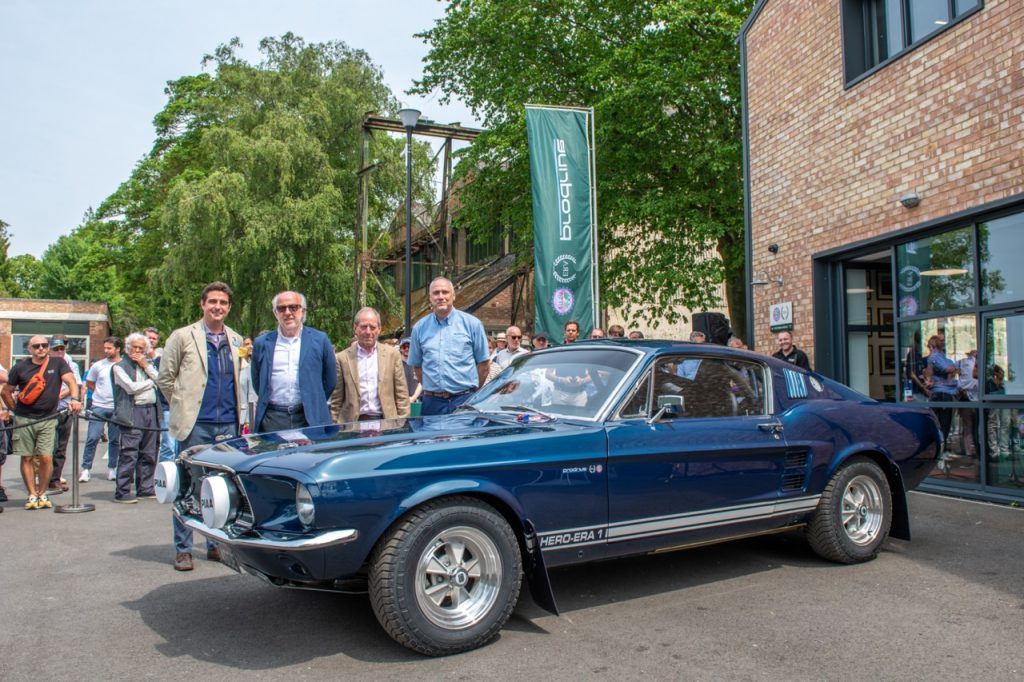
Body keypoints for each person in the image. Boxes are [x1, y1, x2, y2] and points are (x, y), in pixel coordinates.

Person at [157, 281, 245, 571]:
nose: (217, 307)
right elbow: (165, 378)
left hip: (228, 423)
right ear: (202, 304)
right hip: (195, 425)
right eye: (212, 302)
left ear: (229, 307)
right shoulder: (183, 336)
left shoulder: (235, 339)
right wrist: (182, 405)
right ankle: (183, 549)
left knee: (222, 489)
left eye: (223, 303)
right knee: (188, 486)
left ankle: (214, 543)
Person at [2, 334, 82, 509]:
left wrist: (75, 398)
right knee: (27, 457)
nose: (41, 349)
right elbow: (6, 391)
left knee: (46, 457)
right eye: (36, 346)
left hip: (48, 418)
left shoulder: (58, 363)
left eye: (44, 345)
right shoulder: (20, 367)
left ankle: (42, 492)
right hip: (25, 418)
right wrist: (14, 409)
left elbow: (71, 381)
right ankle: (32, 494)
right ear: (29, 349)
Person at [251, 291, 336, 432]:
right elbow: (257, 382)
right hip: (273, 418)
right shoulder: (262, 343)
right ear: (275, 313)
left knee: (311, 454)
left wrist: (312, 399)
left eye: (293, 307)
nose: (287, 312)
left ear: (302, 311)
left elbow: (330, 380)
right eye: (281, 308)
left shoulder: (320, 340)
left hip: (309, 418)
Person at [408, 277, 489, 416]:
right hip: (431, 402)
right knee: (430, 437)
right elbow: (417, 366)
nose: (441, 297)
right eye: (436, 293)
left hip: (464, 400)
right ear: (430, 298)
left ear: (453, 295)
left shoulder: (472, 325)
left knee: (463, 438)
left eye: (445, 292)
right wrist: (433, 389)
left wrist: (473, 392)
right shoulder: (419, 328)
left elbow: (484, 364)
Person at [330, 307, 410, 423]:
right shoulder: (342, 359)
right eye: (363, 327)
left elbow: (401, 394)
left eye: (372, 327)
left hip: (386, 423)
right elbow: (336, 399)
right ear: (355, 328)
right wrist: (336, 425)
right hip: (352, 425)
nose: (368, 332)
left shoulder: (392, 355)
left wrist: (402, 422)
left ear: (379, 329)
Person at [111, 333, 161, 503]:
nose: (138, 351)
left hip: (151, 411)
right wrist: (151, 383)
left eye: (141, 348)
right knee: (129, 452)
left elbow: (161, 380)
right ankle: (123, 491)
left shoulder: (147, 365)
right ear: (128, 347)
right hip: (133, 412)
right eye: (135, 347)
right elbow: (131, 388)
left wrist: (146, 366)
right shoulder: (119, 366)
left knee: (149, 452)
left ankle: (145, 488)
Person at [81, 337, 122, 482]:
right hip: (99, 406)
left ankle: (112, 468)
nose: (106, 351)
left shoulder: (123, 365)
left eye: (109, 348)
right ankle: (86, 469)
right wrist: (99, 392)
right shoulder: (98, 366)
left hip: (116, 407)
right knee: (93, 437)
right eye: (105, 348)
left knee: (115, 440)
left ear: (117, 349)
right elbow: (90, 382)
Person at [47, 335, 84, 494]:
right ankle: (43, 477)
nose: (59, 351)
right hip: (47, 411)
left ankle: (55, 479)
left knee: (61, 447)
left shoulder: (71, 364)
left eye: (62, 348)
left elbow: (75, 384)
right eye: (56, 349)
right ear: (50, 349)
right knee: (47, 447)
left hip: (64, 409)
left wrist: (60, 395)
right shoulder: (44, 363)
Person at [925, 334, 958, 467]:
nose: (944, 343)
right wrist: (956, 368)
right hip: (942, 393)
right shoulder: (935, 357)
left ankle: (940, 451)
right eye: (942, 341)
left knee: (944, 424)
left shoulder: (941, 356)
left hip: (943, 392)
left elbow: (951, 369)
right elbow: (949, 369)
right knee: (943, 424)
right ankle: (939, 453)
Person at [144, 328, 175, 464]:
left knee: (169, 444)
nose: (151, 340)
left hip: (165, 405)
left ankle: (164, 476)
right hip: (144, 406)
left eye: (154, 338)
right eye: (148, 337)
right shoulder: (132, 357)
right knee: (146, 444)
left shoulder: (161, 358)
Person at [956, 349, 978, 459]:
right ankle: (969, 451)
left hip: (976, 398)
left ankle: (973, 449)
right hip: (966, 397)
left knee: (972, 426)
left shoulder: (977, 363)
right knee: (968, 425)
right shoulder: (963, 363)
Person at [398, 337, 422, 404]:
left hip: (416, 401)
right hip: (400, 401)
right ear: (400, 348)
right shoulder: (395, 364)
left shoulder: (417, 364)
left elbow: (421, 382)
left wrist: (413, 398)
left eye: (409, 346)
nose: (407, 349)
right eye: (404, 347)